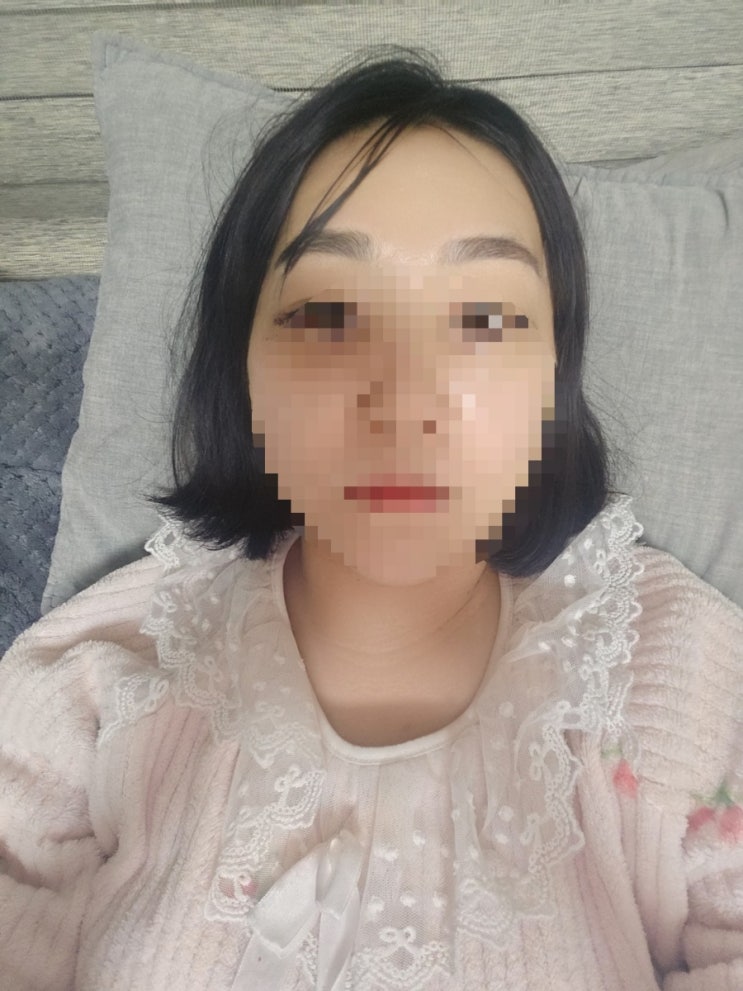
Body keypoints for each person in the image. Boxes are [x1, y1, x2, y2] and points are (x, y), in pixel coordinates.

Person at [1, 48, 742, 991]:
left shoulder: (676, 674)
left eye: (484, 319)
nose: (403, 402)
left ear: (553, 385)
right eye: (326, 313)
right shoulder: (100, 676)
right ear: (241, 371)